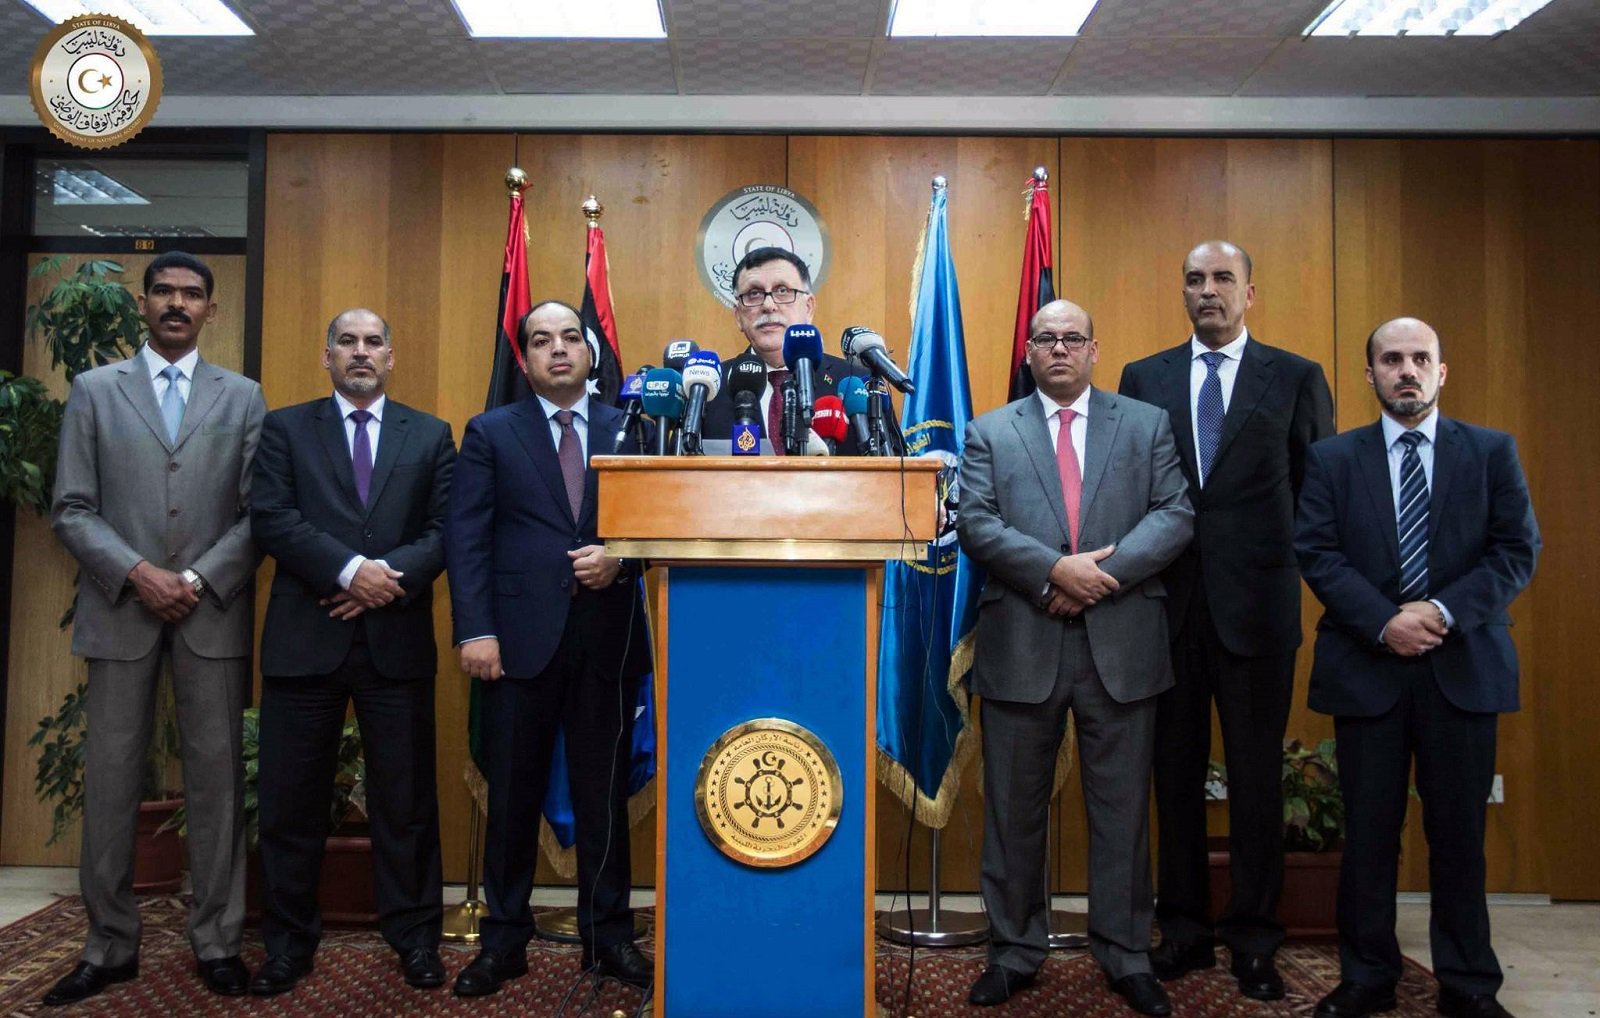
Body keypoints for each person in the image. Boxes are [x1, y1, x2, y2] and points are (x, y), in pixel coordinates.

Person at [1295, 318, 1538, 1018]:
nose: (1407, 370)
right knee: (1369, 834)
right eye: (1391, 359)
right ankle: (1367, 976)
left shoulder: (1491, 453)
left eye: (1420, 358)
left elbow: (1516, 550)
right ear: (1369, 374)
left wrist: (1436, 613)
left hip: (1462, 666)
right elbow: (1317, 551)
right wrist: (1384, 621)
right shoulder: (1334, 459)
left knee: (1458, 836)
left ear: (1442, 371)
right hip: (1367, 668)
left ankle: (1466, 984)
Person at [958, 299, 1193, 1015]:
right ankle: (1013, 951)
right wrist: (1054, 572)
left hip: (1121, 642)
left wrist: (1100, 576)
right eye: (1046, 338)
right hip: (1022, 643)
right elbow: (974, 522)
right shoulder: (989, 431)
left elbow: (1175, 513)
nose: (1059, 349)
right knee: (1013, 812)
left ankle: (1125, 954)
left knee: (1122, 812)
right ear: (1028, 351)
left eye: (1072, 339)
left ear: (1094, 349)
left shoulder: (1145, 424)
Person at [46, 251, 265, 1005]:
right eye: (164, 292)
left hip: (212, 613)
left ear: (212, 309)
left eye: (192, 295)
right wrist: (140, 573)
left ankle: (217, 940)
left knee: (217, 782)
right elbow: (71, 505)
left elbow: (254, 513)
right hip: (120, 611)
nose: (177, 304)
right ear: (142, 304)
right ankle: (108, 946)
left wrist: (197, 579)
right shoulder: (94, 392)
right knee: (110, 782)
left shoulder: (242, 398)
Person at [1117, 240, 1334, 999]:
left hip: (1258, 612)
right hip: (1164, 608)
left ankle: (1254, 937)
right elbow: (1135, 489)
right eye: (1194, 279)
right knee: (1170, 776)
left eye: (1221, 279)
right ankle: (1181, 931)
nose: (1207, 291)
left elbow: (1319, 498)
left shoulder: (1297, 377)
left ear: (1250, 290)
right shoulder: (1144, 378)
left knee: (1253, 780)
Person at [445, 300, 654, 996]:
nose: (558, 350)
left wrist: (621, 557)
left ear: (591, 355)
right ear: (526, 359)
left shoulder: (632, 427)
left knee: (603, 798)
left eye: (571, 338)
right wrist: (475, 630)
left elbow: (664, 525)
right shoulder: (490, 432)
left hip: (605, 642)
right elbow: (467, 539)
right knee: (511, 798)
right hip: (515, 644)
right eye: (542, 341)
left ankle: (608, 938)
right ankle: (503, 942)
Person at [246, 309, 454, 995]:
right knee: (289, 804)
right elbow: (273, 518)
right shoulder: (283, 428)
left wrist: (379, 580)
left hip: (394, 644)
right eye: (347, 342)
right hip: (305, 642)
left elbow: (446, 529)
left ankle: (416, 939)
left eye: (372, 343)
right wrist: (348, 572)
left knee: (407, 803)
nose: (360, 353)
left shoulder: (428, 435)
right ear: (326, 354)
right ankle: (287, 944)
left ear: (391, 356)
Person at [700, 246, 867, 453]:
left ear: (808, 308)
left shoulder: (854, 383)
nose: (768, 305)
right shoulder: (705, 392)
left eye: (782, 291)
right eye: (753, 294)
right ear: (738, 316)